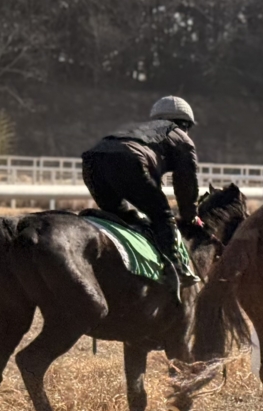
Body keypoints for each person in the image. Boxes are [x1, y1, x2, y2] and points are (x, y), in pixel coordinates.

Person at [82, 96, 204, 282]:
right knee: (162, 215)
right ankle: (175, 268)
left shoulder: (141, 129)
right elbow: (186, 183)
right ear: (186, 124)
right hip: (127, 160)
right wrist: (190, 215)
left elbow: (149, 172)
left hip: (92, 161)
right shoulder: (181, 138)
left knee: (120, 214)